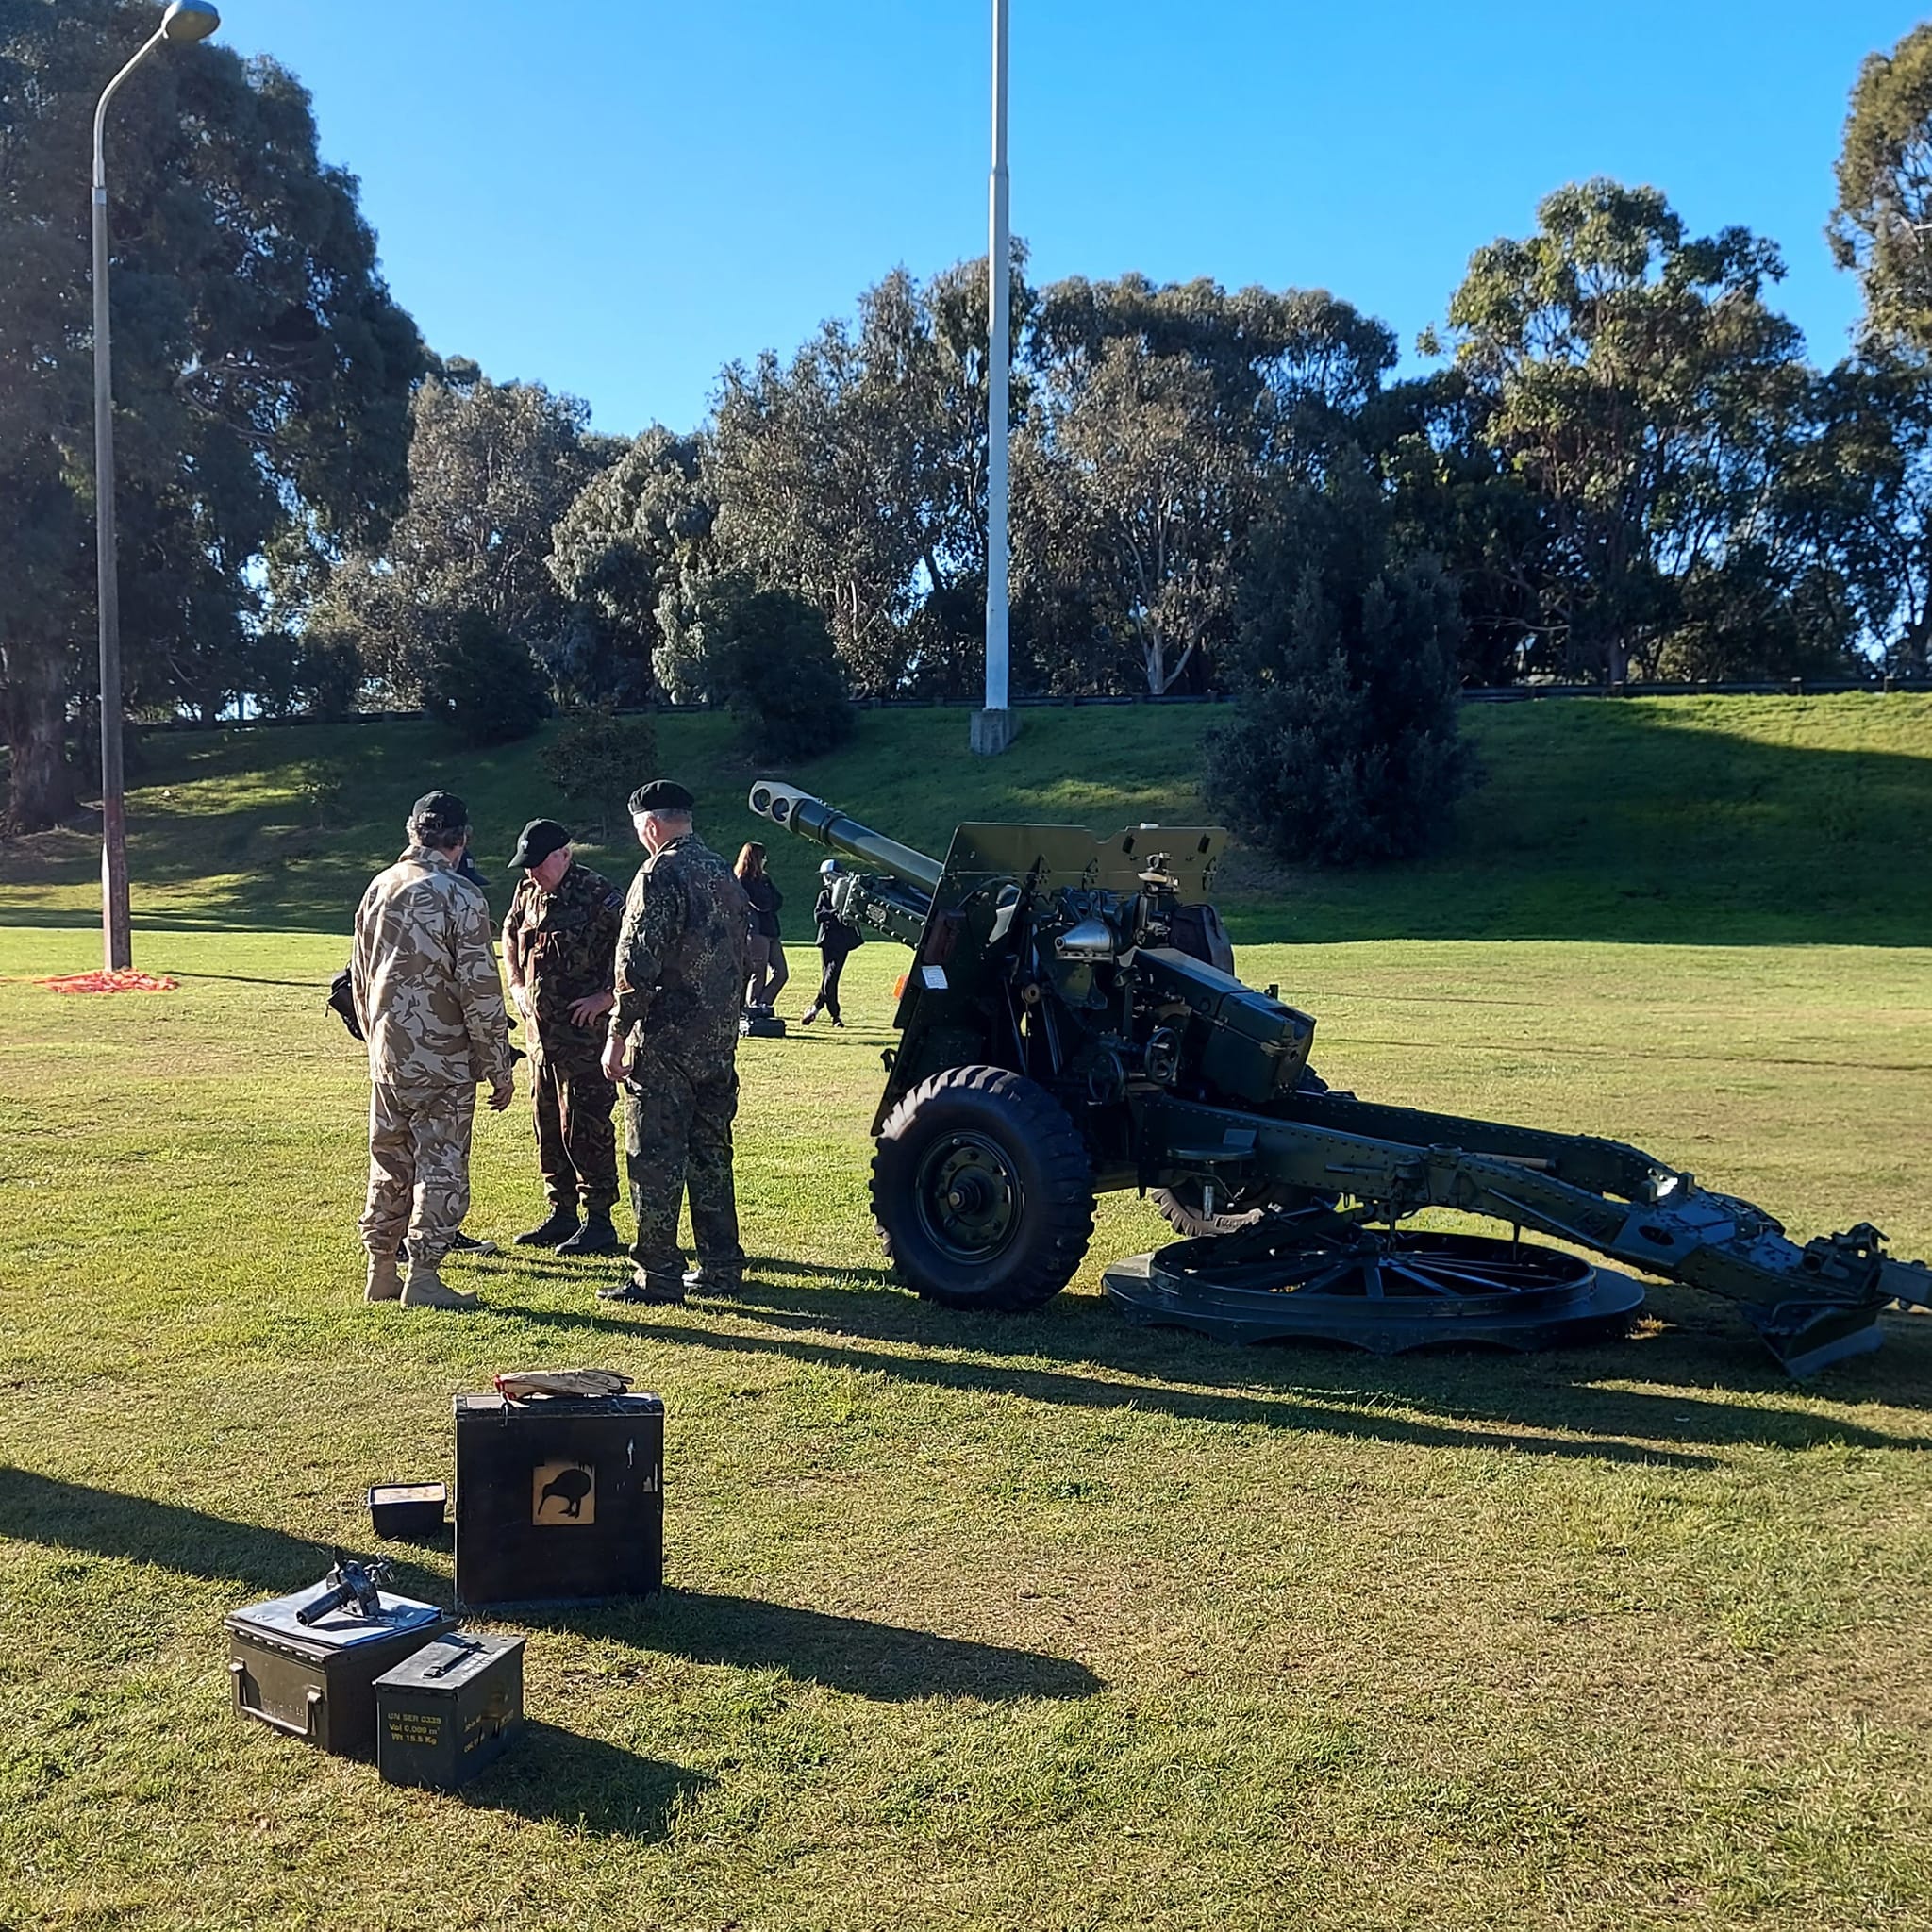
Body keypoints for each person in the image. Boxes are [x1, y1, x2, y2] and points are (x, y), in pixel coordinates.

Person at [351, 790, 515, 1310]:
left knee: (389, 1161)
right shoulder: (461, 896)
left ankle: (381, 1268)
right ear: (462, 839)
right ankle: (423, 1275)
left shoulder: (379, 887)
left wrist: (377, 1037)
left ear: (412, 833)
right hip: (443, 1061)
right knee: (441, 1164)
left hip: (388, 1056)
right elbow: (480, 990)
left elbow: (358, 976)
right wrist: (499, 1065)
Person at [600, 781, 750, 1305]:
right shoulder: (724, 876)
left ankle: (657, 1275)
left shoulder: (659, 873)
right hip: (717, 1043)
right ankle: (721, 1267)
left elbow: (636, 964)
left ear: (650, 826)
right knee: (712, 1155)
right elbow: (745, 959)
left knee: (654, 1157)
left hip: (665, 1045)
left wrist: (618, 1035)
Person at [501, 818, 626, 1256]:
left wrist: (606, 998)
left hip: (584, 1041)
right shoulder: (527, 892)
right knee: (548, 1127)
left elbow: (636, 957)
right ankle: (562, 1213)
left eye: (538, 864)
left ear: (565, 855)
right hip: (543, 1041)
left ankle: (599, 1221)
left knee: (586, 1127)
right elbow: (510, 936)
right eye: (527, 865)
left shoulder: (600, 897)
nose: (531, 873)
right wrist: (516, 984)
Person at [801, 858, 861, 1028]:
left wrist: (834, 915)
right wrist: (835, 913)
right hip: (827, 941)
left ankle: (816, 1008)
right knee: (829, 978)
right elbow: (818, 916)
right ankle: (835, 1016)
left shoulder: (847, 894)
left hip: (842, 942)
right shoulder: (824, 895)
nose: (825, 879)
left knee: (831, 977)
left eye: (828, 875)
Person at [735, 841, 788, 1015]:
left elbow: (778, 900)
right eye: (763, 857)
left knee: (781, 973)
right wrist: (769, 901)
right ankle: (754, 1005)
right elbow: (762, 904)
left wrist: (770, 901)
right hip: (756, 930)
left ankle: (764, 1002)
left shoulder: (765, 879)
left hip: (771, 929)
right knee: (759, 969)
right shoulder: (743, 881)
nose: (766, 860)